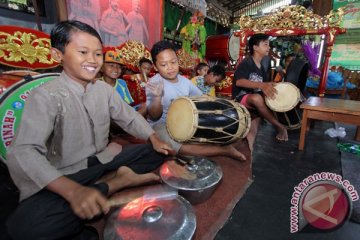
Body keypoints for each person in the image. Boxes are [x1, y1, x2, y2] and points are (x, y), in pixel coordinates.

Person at [6, 20, 173, 240]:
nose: (92, 61)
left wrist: (153, 137)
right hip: (66, 174)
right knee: (24, 228)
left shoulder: (103, 90)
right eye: (83, 52)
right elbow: (24, 152)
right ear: (58, 55)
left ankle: (109, 182)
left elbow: (129, 117)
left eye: (97, 54)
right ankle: (116, 182)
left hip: (103, 161)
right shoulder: (45, 96)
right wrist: (72, 191)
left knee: (158, 151)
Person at [146, 40, 246, 161]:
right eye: (163, 65)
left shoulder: (185, 82)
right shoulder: (154, 83)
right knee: (176, 148)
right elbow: (154, 116)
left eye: (173, 62)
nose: (170, 67)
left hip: (183, 119)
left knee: (206, 127)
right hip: (160, 123)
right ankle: (224, 150)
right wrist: (156, 97)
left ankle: (219, 143)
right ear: (156, 67)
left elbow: (202, 98)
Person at [232, 34, 288, 141]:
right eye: (265, 44)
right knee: (256, 98)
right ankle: (279, 126)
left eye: (269, 45)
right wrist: (262, 85)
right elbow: (239, 82)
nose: (269, 47)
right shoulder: (247, 62)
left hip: (255, 96)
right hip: (241, 98)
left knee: (274, 92)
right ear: (255, 47)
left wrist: (272, 85)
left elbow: (263, 84)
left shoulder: (262, 66)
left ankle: (279, 122)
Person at [101, 49, 147, 116]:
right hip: (104, 115)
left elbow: (128, 104)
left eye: (119, 67)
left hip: (121, 113)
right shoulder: (96, 83)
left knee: (144, 106)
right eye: (111, 65)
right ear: (101, 67)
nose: (116, 69)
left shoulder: (122, 83)